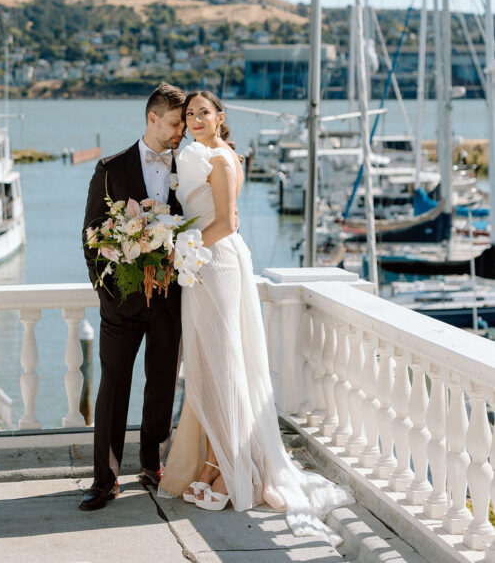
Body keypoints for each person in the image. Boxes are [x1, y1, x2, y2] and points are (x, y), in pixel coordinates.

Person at [159, 91, 350, 545]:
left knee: (225, 364)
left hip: (216, 262)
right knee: (207, 365)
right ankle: (210, 460)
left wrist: (183, 251)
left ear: (220, 117)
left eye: (204, 112)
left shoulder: (223, 160)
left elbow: (227, 221)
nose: (196, 119)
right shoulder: (202, 155)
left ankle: (232, 470)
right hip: (199, 266)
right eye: (189, 114)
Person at [79, 82, 186, 511]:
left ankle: (150, 464)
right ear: (153, 118)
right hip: (121, 304)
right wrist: (107, 294)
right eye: (176, 123)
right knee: (113, 388)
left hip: (170, 299)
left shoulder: (191, 166)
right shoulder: (111, 168)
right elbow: (91, 236)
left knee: (162, 385)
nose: (183, 130)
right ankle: (104, 479)